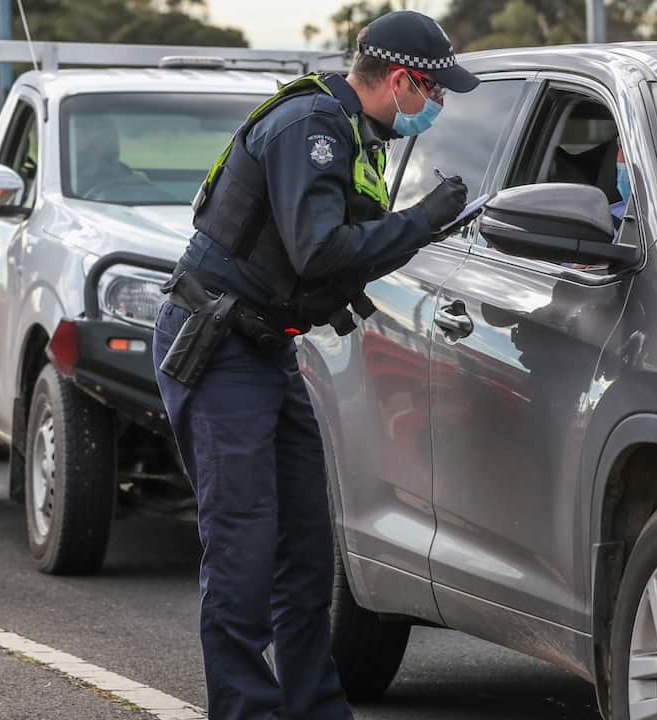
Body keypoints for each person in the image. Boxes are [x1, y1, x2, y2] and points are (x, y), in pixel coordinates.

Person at [151, 10, 477, 719]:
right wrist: (424, 221)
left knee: (305, 550)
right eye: (436, 92)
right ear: (400, 80)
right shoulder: (313, 129)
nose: (440, 106)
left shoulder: (357, 132)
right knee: (243, 546)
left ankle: (314, 708)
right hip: (220, 346)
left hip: (265, 347)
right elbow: (320, 251)